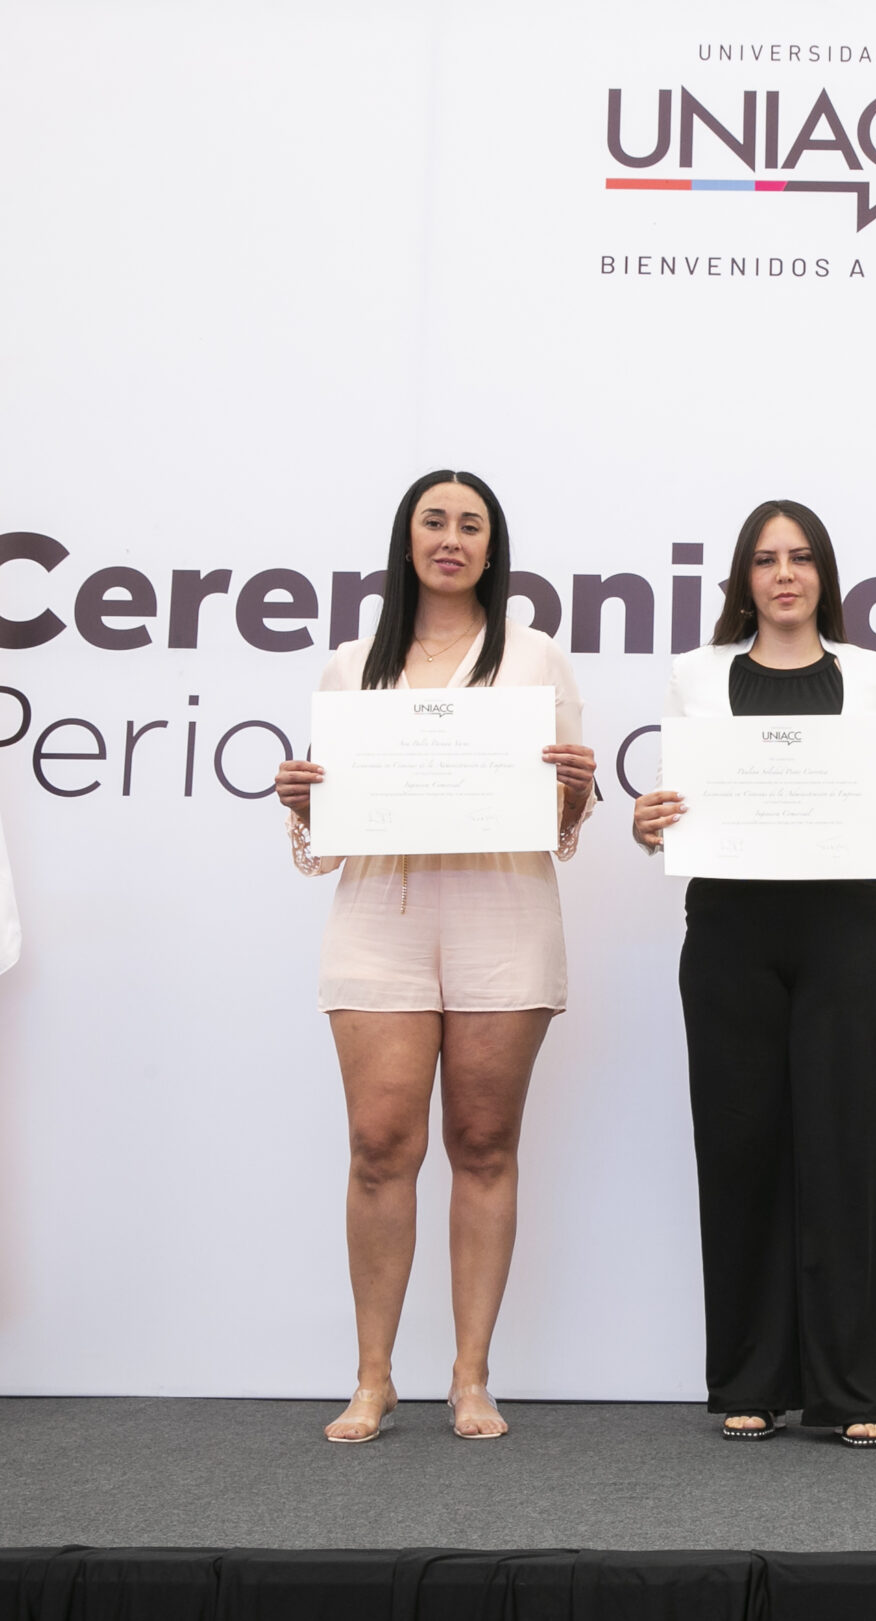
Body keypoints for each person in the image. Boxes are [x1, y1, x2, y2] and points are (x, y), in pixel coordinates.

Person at [273, 469, 596, 1444]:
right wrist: (304, 800)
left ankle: (470, 1375)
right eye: (434, 521)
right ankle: (372, 1377)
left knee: (484, 1143)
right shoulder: (350, 665)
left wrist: (576, 789)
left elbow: (562, 820)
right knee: (380, 1145)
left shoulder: (535, 657)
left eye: (471, 525)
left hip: (503, 915)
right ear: (406, 539)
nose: (451, 538)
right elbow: (328, 837)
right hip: (383, 917)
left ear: (493, 549)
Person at [631, 500, 876, 1448]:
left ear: (824, 574)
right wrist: (648, 824)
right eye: (766, 560)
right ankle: (750, 1378)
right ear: (744, 579)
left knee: (846, 1149)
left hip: (844, 928)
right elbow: (677, 811)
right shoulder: (696, 675)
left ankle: (853, 1388)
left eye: (801, 558)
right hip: (729, 929)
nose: (784, 575)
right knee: (739, 1148)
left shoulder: (874, 674)